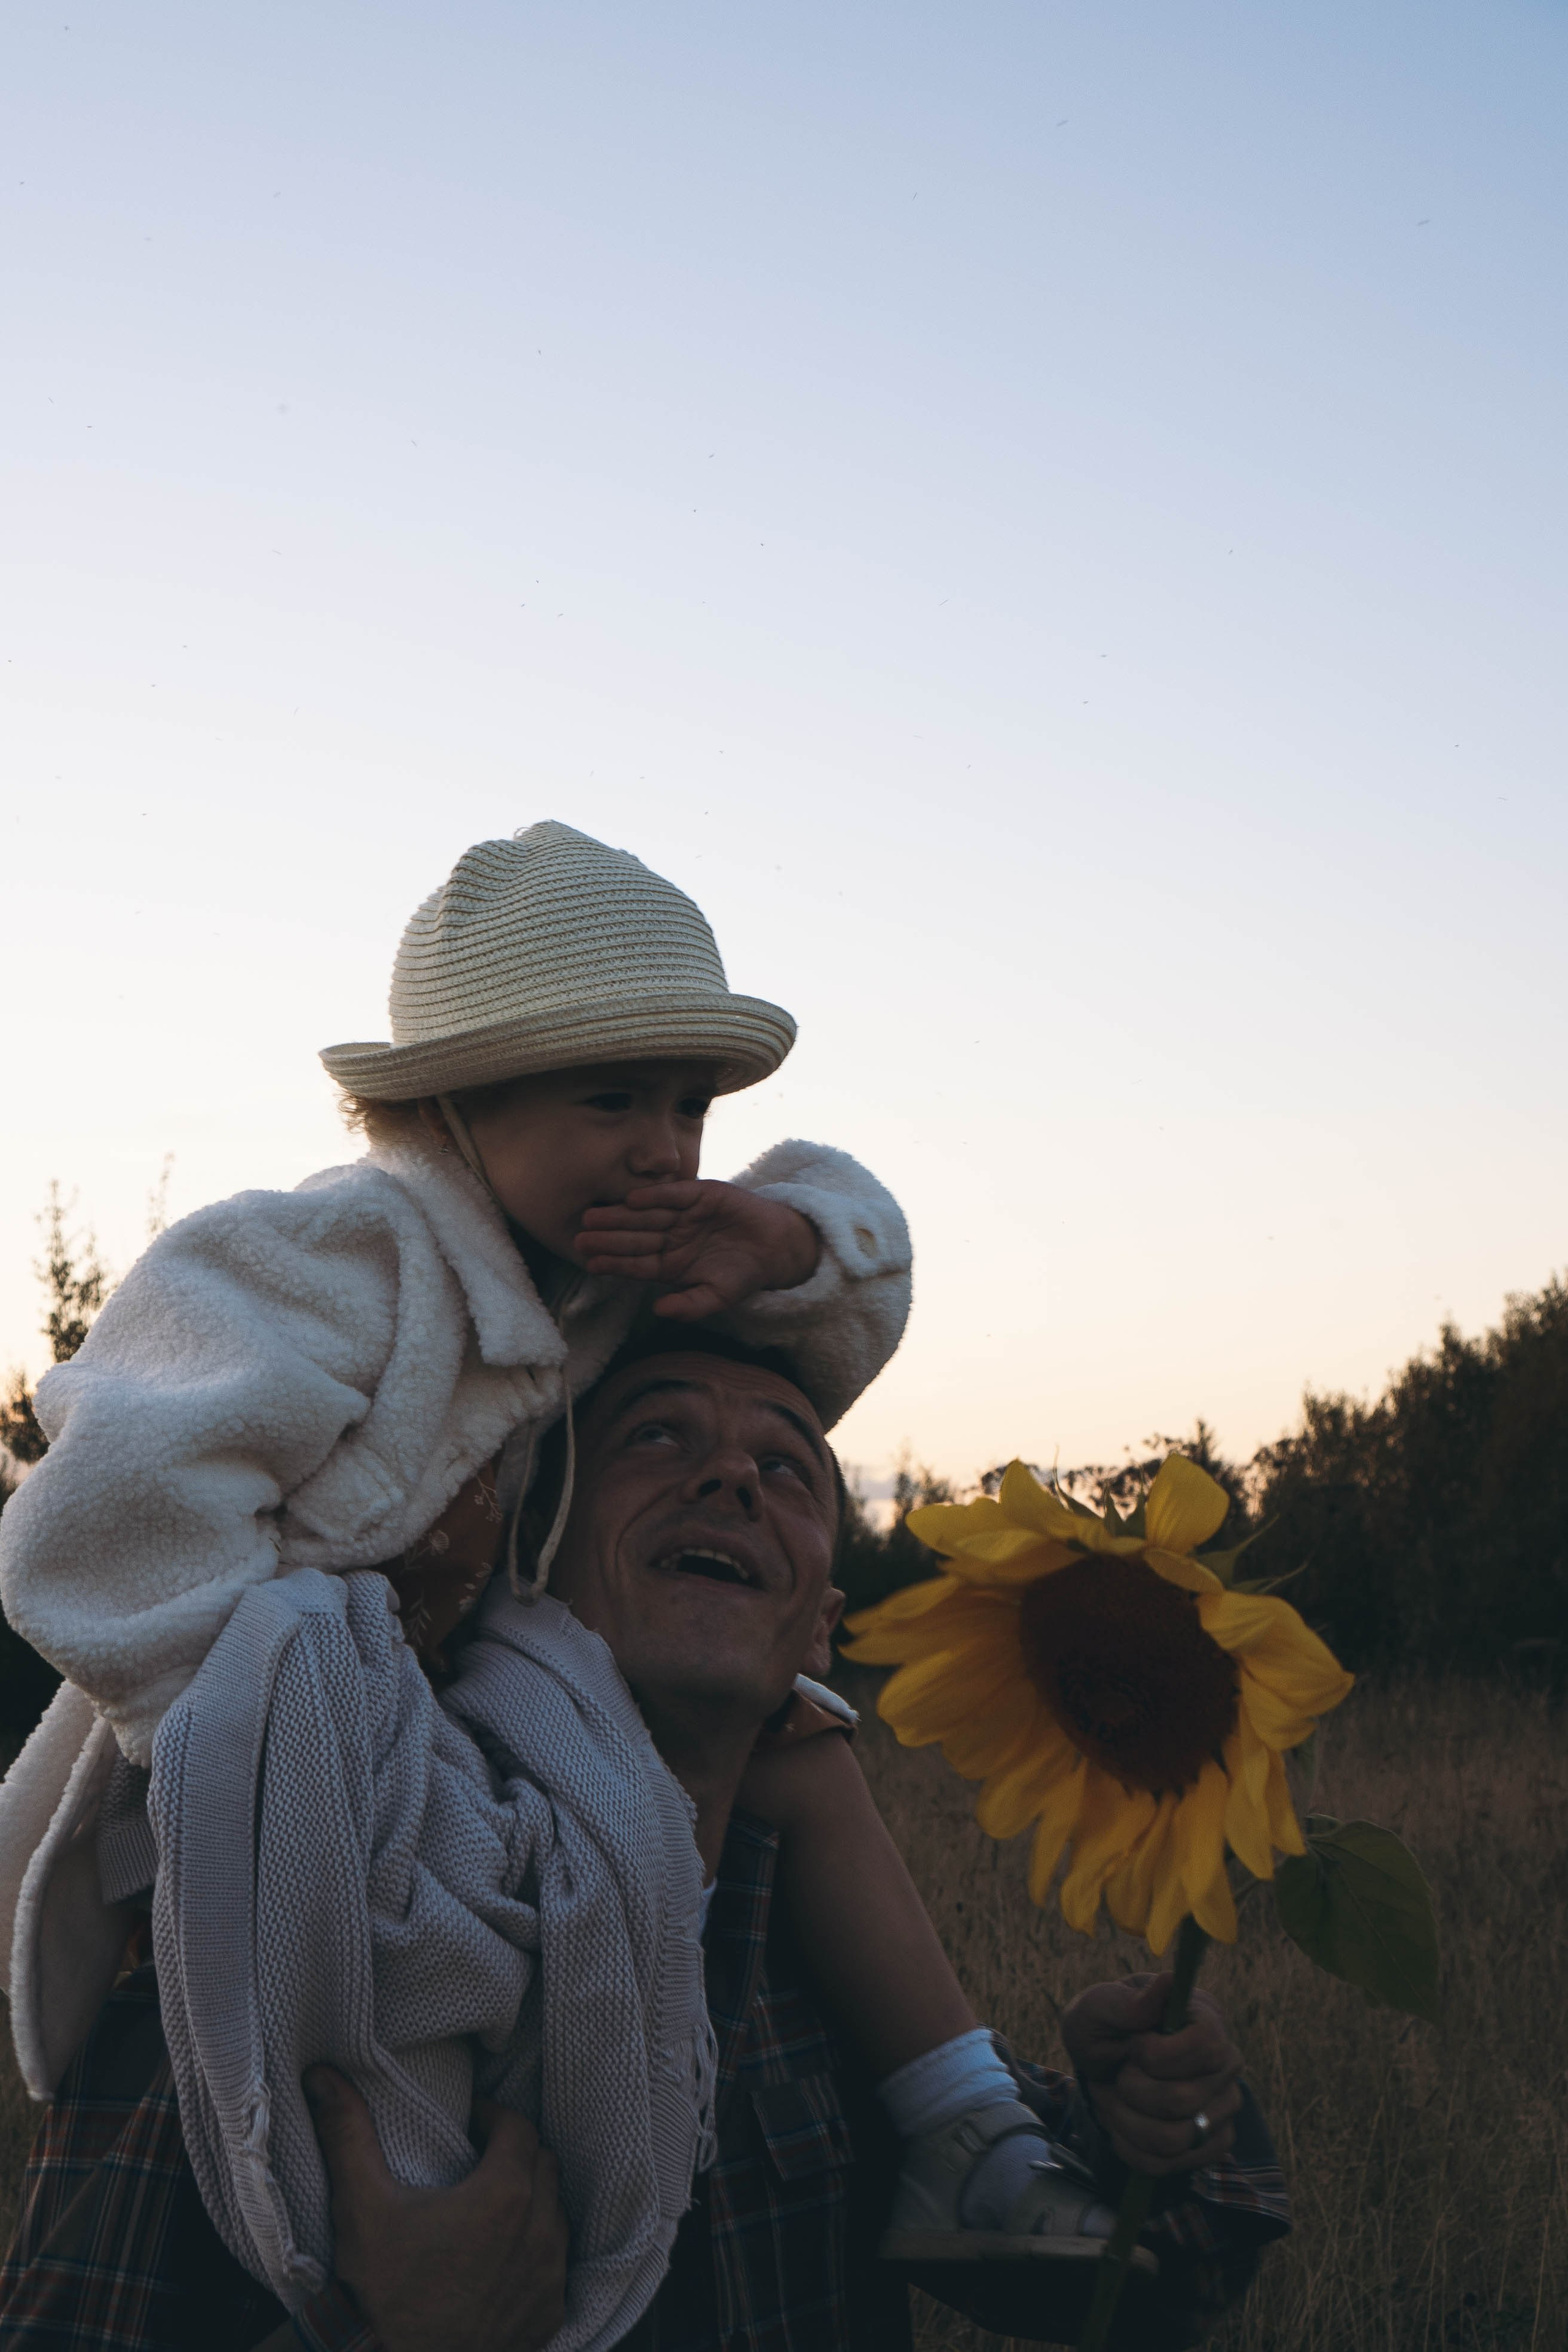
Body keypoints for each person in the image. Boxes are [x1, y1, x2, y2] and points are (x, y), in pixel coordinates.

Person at [0, 821, 1069, 2336]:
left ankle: (954, 2115)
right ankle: (398, 2249)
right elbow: (100, 1518)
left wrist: (778, 1249)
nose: (665, 1148)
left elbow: (839, 1314)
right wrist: (262, 1722)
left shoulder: (606, 1285)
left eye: (692, 1105)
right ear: (454, 1102)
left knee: (800, 1743)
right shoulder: (333, 1260)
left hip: (482, 1720)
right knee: (380, 2038)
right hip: (272, 1751)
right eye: (612, 1097)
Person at [0, 1334, 1289, 2350]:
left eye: (786, 1467)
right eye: (656, 1433)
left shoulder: (824, 1973)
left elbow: (1151, 2289)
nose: (729, 1475)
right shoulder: (289, 1915)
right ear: (535, 1565)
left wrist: (1159, 2126)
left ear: (817, 1631)